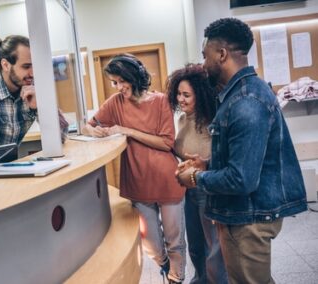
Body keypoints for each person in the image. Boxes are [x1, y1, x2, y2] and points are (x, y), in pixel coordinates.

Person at [176, 18, 307, 284]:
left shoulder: (246, 101)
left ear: (221, 54)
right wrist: (207, 165)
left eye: (205, 56)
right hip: (243, 212)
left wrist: (193, 178)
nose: (203, 64)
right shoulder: (238, 95)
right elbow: (243, 157)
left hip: (249, 216)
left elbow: (241, 178)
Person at [82, 54, 186, 284]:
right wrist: (93, 131)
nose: (117, 87)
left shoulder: (161, 101)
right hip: (137, 181)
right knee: (150, 242)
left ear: (134, 77)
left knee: (174, 240)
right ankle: (164, 265)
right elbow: (87, 125)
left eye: (121, 81)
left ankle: (176, 278)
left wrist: (126, 130)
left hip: (167, 178)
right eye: (114, 82)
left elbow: (166, 142)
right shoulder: (115, 103)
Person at [167, 64, 227, 284]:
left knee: (214, 247)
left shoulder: (213, 120)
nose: (180, 99)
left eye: (186, 95)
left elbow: (219, 158)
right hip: (189, 190)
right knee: (195, 244)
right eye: (178, 94)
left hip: (207, 188)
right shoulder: (182, 119)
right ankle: (200, 279)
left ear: (200, 96)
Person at [0, 35, 68, 152]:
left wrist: (40, 106)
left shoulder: (33, 84)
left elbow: (61, 136)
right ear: (5, 65)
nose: (33, 73)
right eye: (26, 66)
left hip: (6, 164)